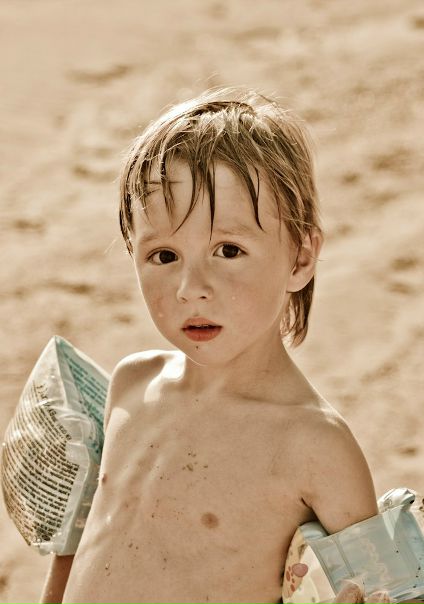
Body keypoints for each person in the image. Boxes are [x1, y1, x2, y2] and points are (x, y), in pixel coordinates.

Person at [39, 88, 408, 604]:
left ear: (300, 259)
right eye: (164, 255)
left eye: (228, 250)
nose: (190, 288)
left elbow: (394, 589)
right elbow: (80, 544)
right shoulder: (131, 384)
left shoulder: (314, 445)